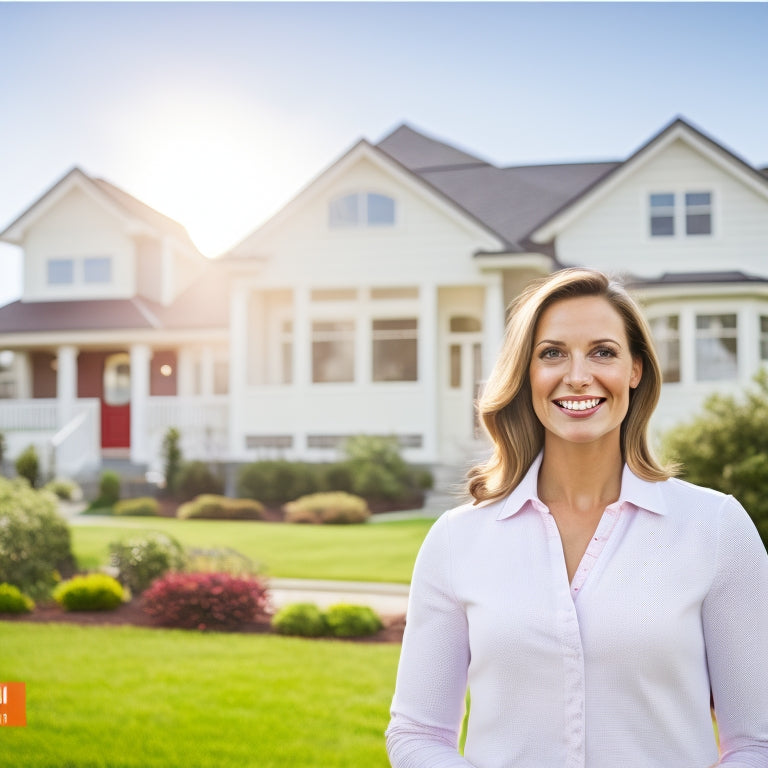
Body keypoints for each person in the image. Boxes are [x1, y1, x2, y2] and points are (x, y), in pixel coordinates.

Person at [385, 268, 768, 768]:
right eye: (552, 353)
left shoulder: (715, 527)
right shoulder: (458, 540)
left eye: (603, 352)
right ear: (527, 373)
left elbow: (756, 741)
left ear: (635, 370)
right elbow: (418, 733)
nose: (578, 375)